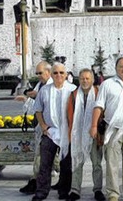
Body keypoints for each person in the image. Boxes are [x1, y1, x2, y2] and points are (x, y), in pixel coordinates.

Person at [90, 57, 123, 201]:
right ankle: (113, 193)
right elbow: (99, 106)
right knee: (112, 163)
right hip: (112, 129)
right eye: (121, 66)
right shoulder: (107, 84)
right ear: (116, 68)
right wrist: (94, 126)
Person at [32, 62, 76, 201]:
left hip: (67, 133)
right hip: (50, 132)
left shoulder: (73, 89)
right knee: (45, 164)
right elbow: (38, 109)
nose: (58, 75)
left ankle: (64, 191)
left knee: (66, 164)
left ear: (66, 75)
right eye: (55, 73)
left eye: (61, 73)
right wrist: (44, 126)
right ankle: (41, 192)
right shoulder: (45, 90)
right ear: (51, 74)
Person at [67, 69, 105, 201]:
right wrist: (70, 134)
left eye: (87, 78)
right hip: (78, 133)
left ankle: (98, 190)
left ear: (92, 80)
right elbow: (69, 116)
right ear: (79, 80)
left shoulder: (98, 93)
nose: (85, 81)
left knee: (97, 164)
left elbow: (103, 112)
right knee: (77, 162)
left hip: (94, 134)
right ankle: (75, 190)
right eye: (82, 78)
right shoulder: (73, 95)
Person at [17, 61, 54, 195]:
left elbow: (49, 102)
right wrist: (27, 98)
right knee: (40, 157)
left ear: (48, 72)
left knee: (44, 158)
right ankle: (36, 182)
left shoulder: (52, 85)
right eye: (37, 73)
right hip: (42, 127)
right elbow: (36, 105)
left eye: (40, 73)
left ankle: (38, 184)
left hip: (51, 128)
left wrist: (35, 96)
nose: (38, 75)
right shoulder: (40, 85)